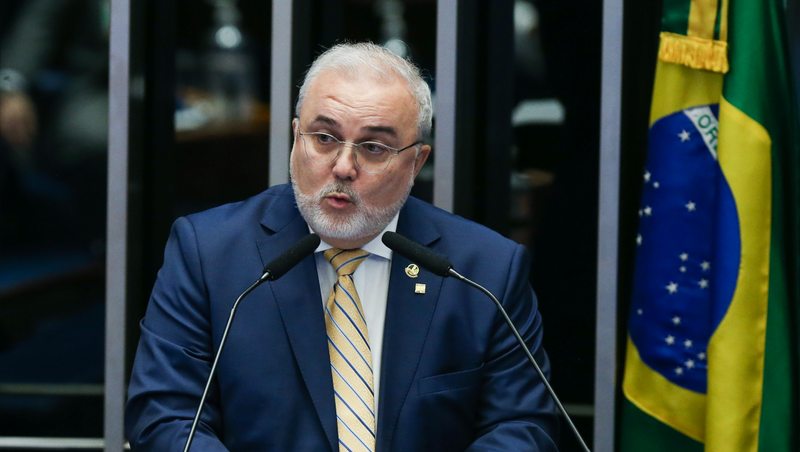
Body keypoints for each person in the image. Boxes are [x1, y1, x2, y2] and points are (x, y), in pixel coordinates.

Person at [125, 42, 559, 451]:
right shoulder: (209, 252)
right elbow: (166, 417)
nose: (343, 167)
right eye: (324, 138)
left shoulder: (484, 270)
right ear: (296, 136)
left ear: (416, 162)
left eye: (373, 147)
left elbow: (522, 425)